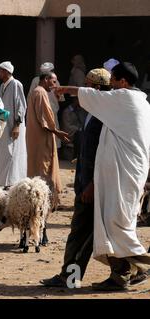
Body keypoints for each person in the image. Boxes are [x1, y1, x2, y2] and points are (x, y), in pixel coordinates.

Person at [56, 62, 150, 291]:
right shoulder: (116, 106)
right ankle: (121, 275)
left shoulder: (123, 100)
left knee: (116, 224)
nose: (112, 87)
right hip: (110, 178)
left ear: (123, 83)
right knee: (108, 226)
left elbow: (86, 95)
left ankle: (141, 266)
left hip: (120, 177)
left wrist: (65, 89)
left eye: (114, 82)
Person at [41, 68, 111, 288]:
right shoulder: (92, 112)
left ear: (96, 89)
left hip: (92, 186)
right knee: (85, 234)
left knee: (81, 234)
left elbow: (101, 154)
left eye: (87, 86)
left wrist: (91, 183)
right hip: (85, 183)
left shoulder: (102, 116)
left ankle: (70, 277)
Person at [26, 72, 70, 208]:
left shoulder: (38, 92)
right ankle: (43, 201)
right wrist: (57, 132)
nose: (55, 85)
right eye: (53, 81)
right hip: (42, 138)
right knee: (43, 169)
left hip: (38, 137)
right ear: (46, 79)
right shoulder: (40, 93)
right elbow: (44, 119)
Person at [0, 61, 27, 188]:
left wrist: (17, 124)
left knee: (13, 153)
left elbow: (21, 105)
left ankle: (13, 181)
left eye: (0, 71)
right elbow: (2, 106)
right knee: (4, 153)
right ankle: (4, 182)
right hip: (4, 125)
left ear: (6, 72)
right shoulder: (2, 86)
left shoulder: (16, 84)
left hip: (14, 125)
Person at [28, 62, 65, 148]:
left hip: (39, 112)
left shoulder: (35, 80)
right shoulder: (56, 81)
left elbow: (30, 97)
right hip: (50, 112)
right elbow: (61, 98)